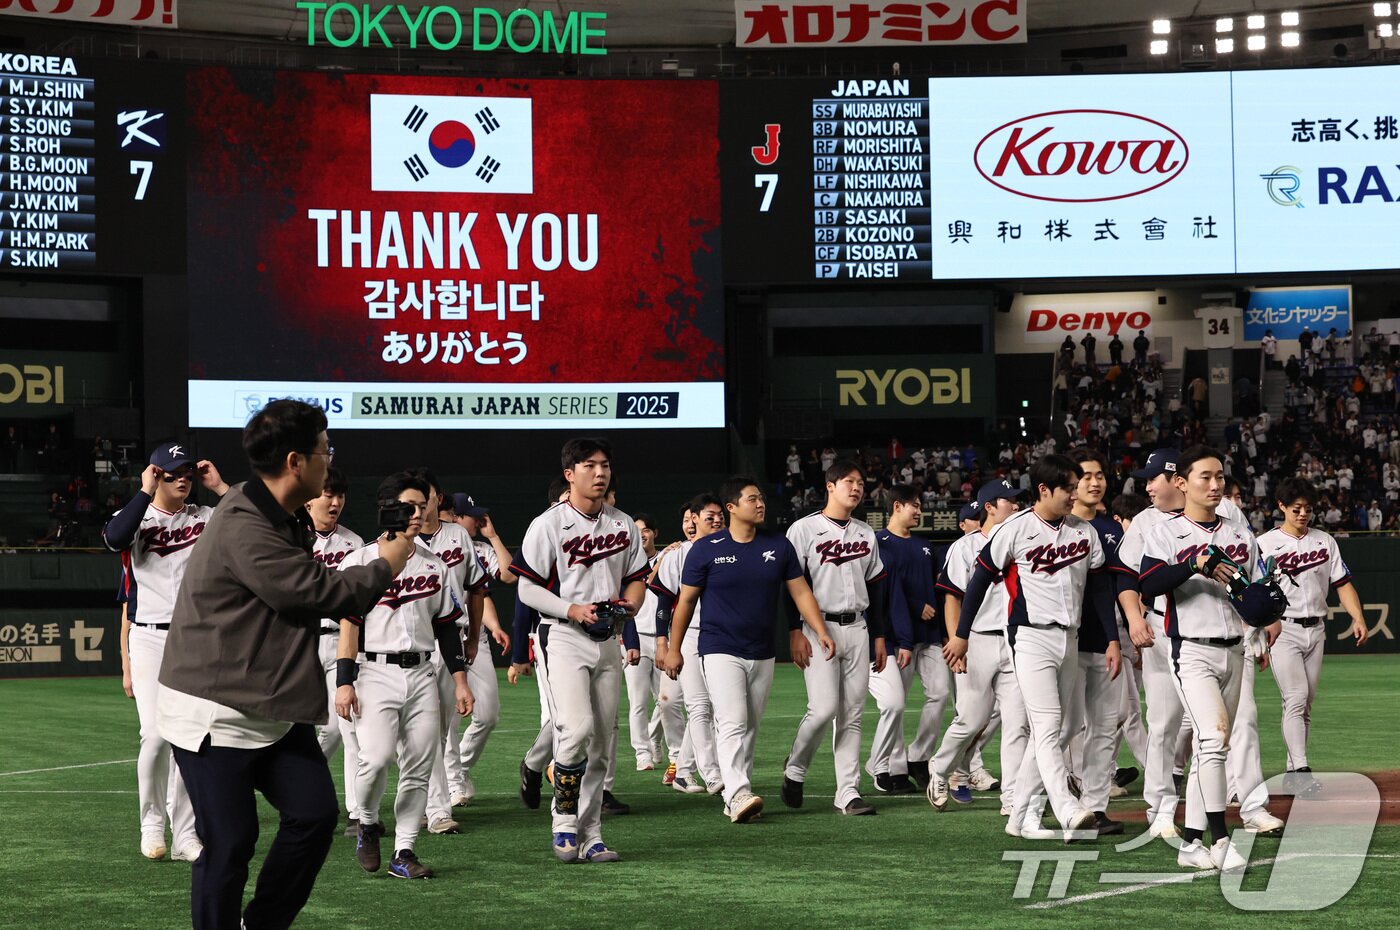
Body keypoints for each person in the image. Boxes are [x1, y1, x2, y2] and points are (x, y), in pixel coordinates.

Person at [156, 400, 414, 930]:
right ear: (297, 461)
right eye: (326, 450)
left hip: (269, 704)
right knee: (230, 844)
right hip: (213, 711)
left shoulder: (276, 511)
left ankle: (263, 923)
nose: (330, 460)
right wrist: (385, 563)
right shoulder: (244, 523)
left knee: (315, 817)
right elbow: (313, 593)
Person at [1137, 445, 1281, 872]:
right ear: (1181, 483)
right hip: (1192, 650)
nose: (1215, 484)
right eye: (1205, 477)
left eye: (1219, 476)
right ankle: (1220, 840)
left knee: (1210, 750)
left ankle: (1191, 845)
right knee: (1214, 739)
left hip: (1233, 648)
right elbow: (1148, 583)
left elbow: (1257, 585)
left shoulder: (1238, 533)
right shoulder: (1167, 532)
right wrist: (1193, 564)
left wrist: (1268, 613)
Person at [662, 477, 835, 823]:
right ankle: (737, 792)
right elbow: (685, 602)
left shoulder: (778, 545)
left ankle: (736, 794)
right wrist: (674, 648)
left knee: (751, 724)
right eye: (752, 499)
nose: (761, 505)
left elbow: (800, 592)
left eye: (762, 498)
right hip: (719, 648)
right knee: (732, 721)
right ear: (731, 507)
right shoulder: (706, 549)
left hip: (762, 651)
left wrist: (819, 629)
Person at [510, 438, 649, 863]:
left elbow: (637, 577)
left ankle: (592, 834)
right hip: (563, 635)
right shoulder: (548, 525)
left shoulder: (622, 523)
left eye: (605, 465)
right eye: (589, 465)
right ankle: (564, 819)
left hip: (607, 637)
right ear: (569, 474)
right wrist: (570, 608)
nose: (600, 473)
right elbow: (526, 587)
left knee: (603, 743)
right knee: (575, 729)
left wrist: (634, 603)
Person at [334, 471, 473, 880]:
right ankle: (367, 822)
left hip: (423, 674)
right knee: (374, 760)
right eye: (409, 506)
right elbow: (350, 625)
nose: (420, 512)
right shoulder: (358, 560)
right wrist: (344, 680)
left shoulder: (434, 564)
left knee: (418, 766)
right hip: (374, 672)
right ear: (388, 510)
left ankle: (405, 850)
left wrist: (460, 679)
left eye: (422, 504)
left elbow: (447, 625)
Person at [103, 441, 229, 863]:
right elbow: (115, 537)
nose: (182, 479)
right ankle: (151, 824)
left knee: (191, 740)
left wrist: (221, 488)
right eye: (172, 473)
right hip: (151, 637)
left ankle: (185, 835)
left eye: (187, 473)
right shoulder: (136, 518)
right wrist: (142, 493)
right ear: (155, 475)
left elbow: (261, 522)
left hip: (196, 637)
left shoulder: (206, 517)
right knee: (156, 736)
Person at [780, 458, 888, 816]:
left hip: (857, 626)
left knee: (853, 713)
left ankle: (848, 792)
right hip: (817, 627)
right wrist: (795, 630)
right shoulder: (803, 530)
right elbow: (791, 586)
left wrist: (880, 636)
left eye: (860, 483)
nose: (857, 488)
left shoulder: (865, 532)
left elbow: (877, 586)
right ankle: (795, 768)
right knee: (824, 709)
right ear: (830, 486)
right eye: (849, 482)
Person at [1258, 477, 1370, 789]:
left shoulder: (1324, 541)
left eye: (1308, 508)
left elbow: (1342, 583)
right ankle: (1301, 771)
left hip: (1316, 630)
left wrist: (1357, 617)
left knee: (1304, 705)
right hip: (1283, 629)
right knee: (1295, 697)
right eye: (1296, 508)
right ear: (1281, 507)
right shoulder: (1265, 544)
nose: (1303, 514)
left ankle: (1294, 765)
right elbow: (1253, 591)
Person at [928, 478, 1029, 820]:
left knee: (1018, 722)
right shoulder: (966, 547)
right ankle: (940, 770)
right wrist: (958, 638)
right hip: (977, 640)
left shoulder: (1021, 540)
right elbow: (952, 596)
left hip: (1016, 640)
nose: (1015, 506)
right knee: (971, 720)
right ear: (989, 507)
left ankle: (1013, 797)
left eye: (1017, 501)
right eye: (1008, 501)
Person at [407, 467, 486, 837]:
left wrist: (473, 637)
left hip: (452, 636)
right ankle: (434, 808)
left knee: (438, 731)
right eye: (414, 502)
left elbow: (477, 587)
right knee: (424, 731)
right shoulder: (398, 541)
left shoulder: (456, 535)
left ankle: (427, 803)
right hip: (417, 640)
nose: (422, 508)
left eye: (428, 499)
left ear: (439, 499)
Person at [866, 484, 944, 795]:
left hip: (930, 634)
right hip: (898, 637)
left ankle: (918, 756)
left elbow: (937, 587)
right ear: (897, 506)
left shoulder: (925, 546)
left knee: (939, 695)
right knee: (896, 701)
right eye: (914, 505)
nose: (919, 511)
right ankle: (894, 768)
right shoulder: (878, 543)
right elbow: (882, 592)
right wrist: (914, 606)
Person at [1064, 448, 1126, 835]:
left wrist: (1117, 637)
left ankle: (1094, 806)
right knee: (1060, 728)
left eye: (1099, 474)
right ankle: (1033, 800)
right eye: (1086, 475)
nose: (1094, 481)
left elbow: (1118, 586)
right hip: (1059, 642)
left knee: (1104, 726)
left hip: (1103, 640)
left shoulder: (1112, 529)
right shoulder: (1052, 524)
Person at [651, 495, 728, 795]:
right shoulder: (678, 554)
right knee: (699, 705)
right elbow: (663, 602)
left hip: (723, 636)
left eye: (720, 515)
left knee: (715, 706)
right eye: (710, 516)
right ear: (693, 518)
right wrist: (663, 644)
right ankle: (712, 773)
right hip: (690, 634)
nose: (717, 520)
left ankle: (683, 771)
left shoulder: (732, 549)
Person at [443, 491, 518, 805]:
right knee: (449, 718)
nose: (478, 520)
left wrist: (493, 626)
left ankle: (459, 767)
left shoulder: (481, 549)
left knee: (487, 714)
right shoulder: (435, 544)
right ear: (457, 517)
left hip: (475, 637)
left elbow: (507, 576)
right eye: (473, 515)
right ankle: (453, 782)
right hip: (442, 636)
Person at [306, 465, 366, 836]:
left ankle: (358, 813)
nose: (335, 501)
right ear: (309, 498)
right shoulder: (292, 536)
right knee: (291, 727)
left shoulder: (354, 544)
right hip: (301, 640)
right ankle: (294, 785)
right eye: (328, 494)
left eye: (340, 495)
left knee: (345, 726)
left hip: (340, 640)